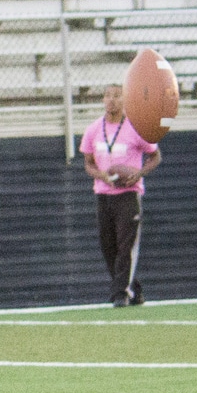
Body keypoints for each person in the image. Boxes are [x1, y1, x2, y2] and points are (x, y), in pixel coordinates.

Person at [77, 85, 160, 306]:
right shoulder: (94, 129)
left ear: (125, 99)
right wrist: (102, 176)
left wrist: (139, 174)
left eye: (117, 96)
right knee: (108, 247)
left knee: (126, 245)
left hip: (128, 194)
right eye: (107, 96)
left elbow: (155, 156)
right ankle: (134, 288)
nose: (111, 100)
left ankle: (120, 295)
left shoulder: (136, 128)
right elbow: (88, 163)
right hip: (104, 194)